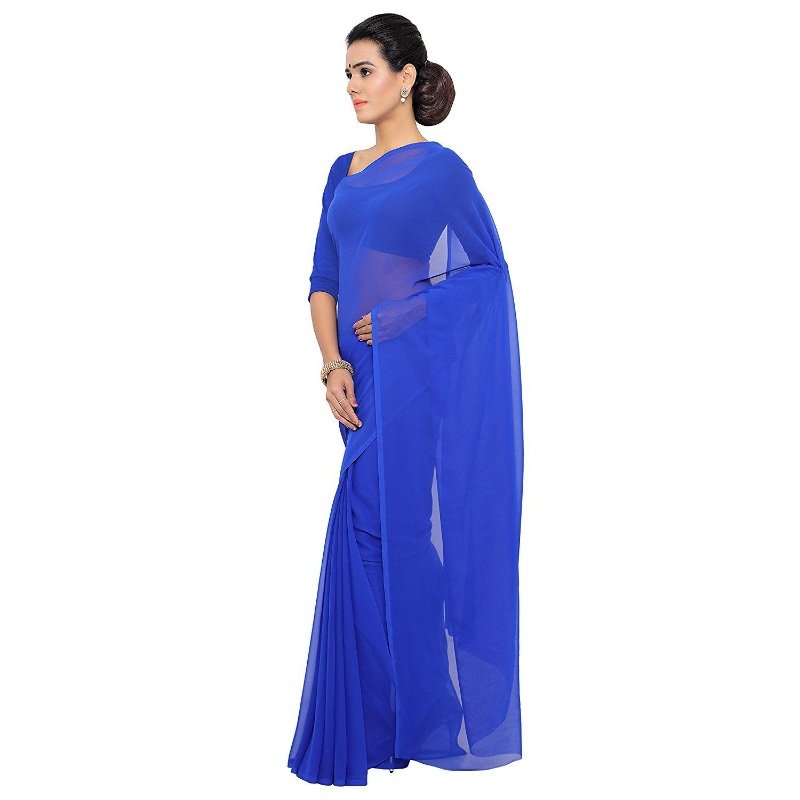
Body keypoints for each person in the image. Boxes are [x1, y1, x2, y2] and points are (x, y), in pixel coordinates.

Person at [287, 13, 524, 786]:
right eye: (347, 74)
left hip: (409, 372)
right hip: (354, 374)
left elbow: (486, 275)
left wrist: (404, 315)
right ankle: (390, 716)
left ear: (405, 77)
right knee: (379, 531)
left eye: (365, 71)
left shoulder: (441, 172)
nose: (353, 87)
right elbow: (322, 279)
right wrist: (331, 364)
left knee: (388, 528)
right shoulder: (342, 171)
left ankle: (410, 715)